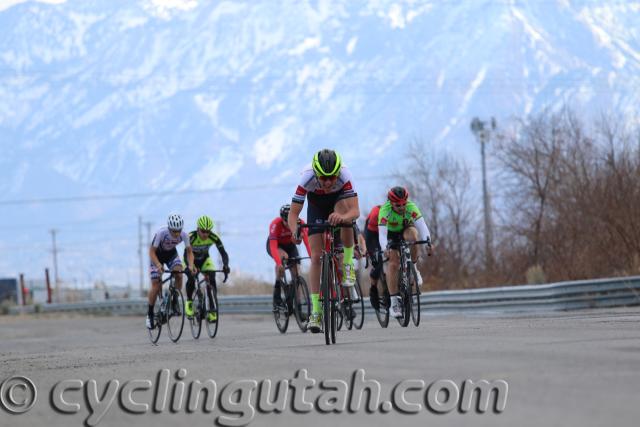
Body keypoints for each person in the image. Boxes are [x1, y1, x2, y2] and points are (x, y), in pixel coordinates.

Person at [288, 149, 360, 333]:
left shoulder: (345, 175)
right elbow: (294, 213)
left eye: (332, 178)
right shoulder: (306, 177)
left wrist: (342, 217)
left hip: (338, 201)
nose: (328, 182)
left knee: (345, 217)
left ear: (338, 173)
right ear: (316, 174)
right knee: (316, 257)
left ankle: (348, 263)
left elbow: (355, 212)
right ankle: (316, 312)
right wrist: (294, 230)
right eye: (323, 178)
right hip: (316, 205)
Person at [378, 186, 432, 318]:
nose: (402, 207)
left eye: (404, 204)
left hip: (406, 229)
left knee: (414, 237)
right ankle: (394, 302)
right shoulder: (385, 211)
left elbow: (422, 226)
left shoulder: (411, 207)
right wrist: (385, 248)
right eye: (398, 205)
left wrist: (428, 243)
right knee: (393, 264)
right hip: (391, 234)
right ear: (391, 203)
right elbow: (382, 235)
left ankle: (413, 267)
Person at [147, 214, 195, 329]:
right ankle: (149, 314)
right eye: (174, 231)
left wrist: (191, 266)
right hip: (156, 256)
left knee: (179, 273)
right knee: (155, 284)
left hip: (170, 255)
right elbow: (151, 252)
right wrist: (158, 265)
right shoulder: (161, 233)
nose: (177, 234)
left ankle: (174, 300)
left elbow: (189, 252)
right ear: (169, 228)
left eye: (179, 231)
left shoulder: (184, 235)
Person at [183, 215, 230, 322]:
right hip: (190, 260)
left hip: (204, 260)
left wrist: (226, 265)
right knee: (191, 276)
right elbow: (186, 255)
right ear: (197, 229)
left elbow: (223, 253)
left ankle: (212, 307)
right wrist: (191, 266)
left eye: (208, 231)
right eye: (203, 231)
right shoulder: (191, 237)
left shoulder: (213, 237)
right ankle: (189, 302)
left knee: (211, 277)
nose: (205, 234)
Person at [267, 204, 311, 308]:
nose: (288, 225)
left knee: (297, 273)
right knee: (284, 257)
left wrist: (312, 257)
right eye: (286, 222)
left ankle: (298, 307)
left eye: (290, 221)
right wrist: (279, 263)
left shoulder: (300, 223)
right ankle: (278, 287)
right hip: (276, 245)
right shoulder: (275, 224)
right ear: (282, 219)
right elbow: (273, 246)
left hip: (290, 246)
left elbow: (307, 242)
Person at [364, 205, 384, 311]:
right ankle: (373, 289)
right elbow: (370, 237)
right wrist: (372, 252)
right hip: (372, 233)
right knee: (378, 261)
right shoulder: (376, 214)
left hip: (387, 231)